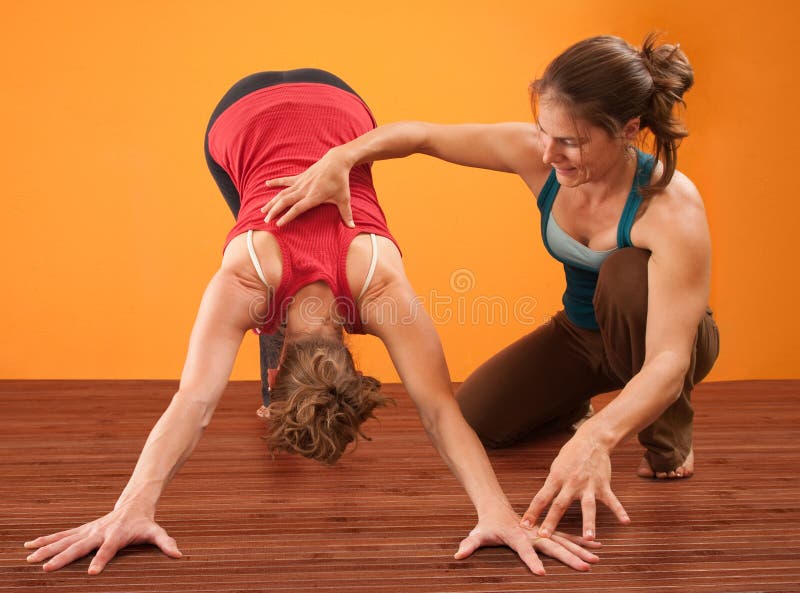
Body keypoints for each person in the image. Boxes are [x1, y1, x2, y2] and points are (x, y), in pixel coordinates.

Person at [23, 69, 600, 575]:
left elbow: (194, 405)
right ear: (280, 360)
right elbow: (437, 411)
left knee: (259, 208)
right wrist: (495, 514)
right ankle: (275, 375)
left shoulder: (376, 287)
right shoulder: (250, 283)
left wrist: (133, 509)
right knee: (258, 209)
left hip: (340, 103)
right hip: (243, 113)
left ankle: (279, 386)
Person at [259, 36, 720, 544]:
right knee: (478, 418)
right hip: (582, 334)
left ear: (628, 130)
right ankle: (575, 401)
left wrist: (598, 438)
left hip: (659, 338)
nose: (548, 152)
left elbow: (669, 358)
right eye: (544, 131)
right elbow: (423, 137)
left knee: (626, 274)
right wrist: (341, 158)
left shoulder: (672, 207)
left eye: (570, 141)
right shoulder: (538, 155)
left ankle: (668, 433)